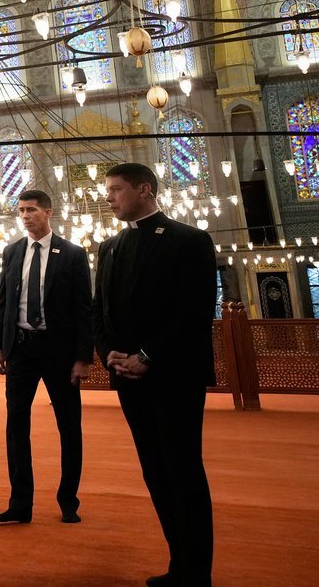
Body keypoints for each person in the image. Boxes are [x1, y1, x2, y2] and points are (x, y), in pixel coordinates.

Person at [92, 163, 216, 586]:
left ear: (144, 189)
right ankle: (178, 565)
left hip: (174, 376)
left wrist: (147, 355)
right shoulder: (109, 247)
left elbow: (194, 312)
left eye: (116, 189)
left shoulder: (188, 240)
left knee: (182, 470)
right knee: (155, 470)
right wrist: (108, 353)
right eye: (107, 190)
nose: (108, 197)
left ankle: (196, 572)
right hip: (128, 378)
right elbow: (99, 310)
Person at [0, 189, 92, 525]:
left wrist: (82, 358)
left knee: (69, 426)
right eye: (20, 210)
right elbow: (4, 302)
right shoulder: (12, 251)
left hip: (59, 352)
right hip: (20, 349)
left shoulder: (72, 254)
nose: (25, 216)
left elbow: (83, 309)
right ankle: (20, 503)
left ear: (48, 212)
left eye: (31, 209)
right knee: (16, 426)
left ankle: (68, 500)